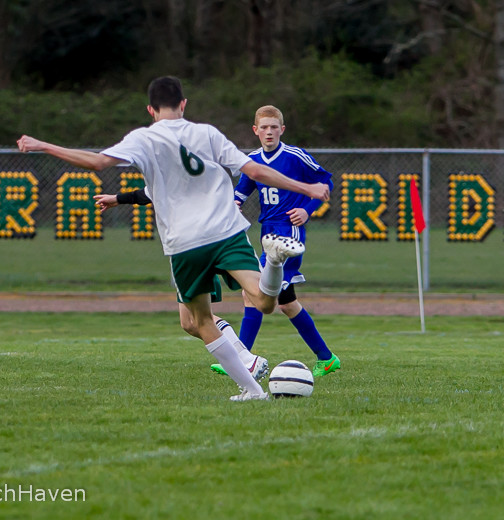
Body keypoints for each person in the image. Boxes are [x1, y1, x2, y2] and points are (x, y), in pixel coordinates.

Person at [18, 76, 330, 401]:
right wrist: (307, 188)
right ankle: (274, 262)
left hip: (186, 242)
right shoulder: (207, 133)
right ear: (183, 104)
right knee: (264, 302)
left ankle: (251, 388)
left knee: (199, 320)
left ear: (150, 109)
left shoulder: (142, 139)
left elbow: (97, 162)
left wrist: (44, 146)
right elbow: (255, 171)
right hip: (226, 231)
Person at [211, 105, 339, 377]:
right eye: (264, 127)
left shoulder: (295, 156)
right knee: (287, 303)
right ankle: (326, 358)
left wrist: (307, 210)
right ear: (255, 130)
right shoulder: (253, 160)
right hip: (267, 232)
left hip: (289, 233)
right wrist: (233, 204)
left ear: (282, 129)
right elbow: (242, 192)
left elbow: (325, 182)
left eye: (274, 127)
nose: (269, 132)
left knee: (252, 292)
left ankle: (241, 359)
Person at [93, 189, 270, 382]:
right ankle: (246, 361)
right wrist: (118, 199)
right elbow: (152, 191)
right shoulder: (169, 178)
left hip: (193, 246)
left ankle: (247, 361)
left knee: (202, 318)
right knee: (189, 323)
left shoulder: (182, 176)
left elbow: (159, 190)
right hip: (189, 244)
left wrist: (118, 199)